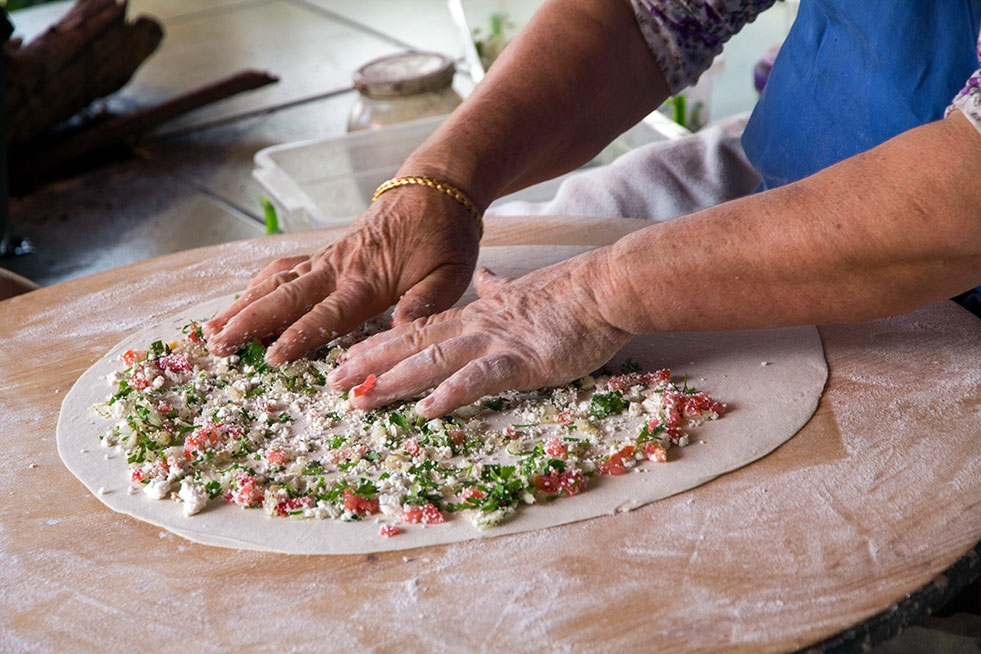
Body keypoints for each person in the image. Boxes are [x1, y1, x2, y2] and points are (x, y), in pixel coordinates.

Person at [203, 0, 981, 419]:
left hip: (948, 233)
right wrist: (440, 181)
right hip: (799, 143)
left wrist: (601, 292)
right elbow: (649, 14)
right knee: (570, 225)